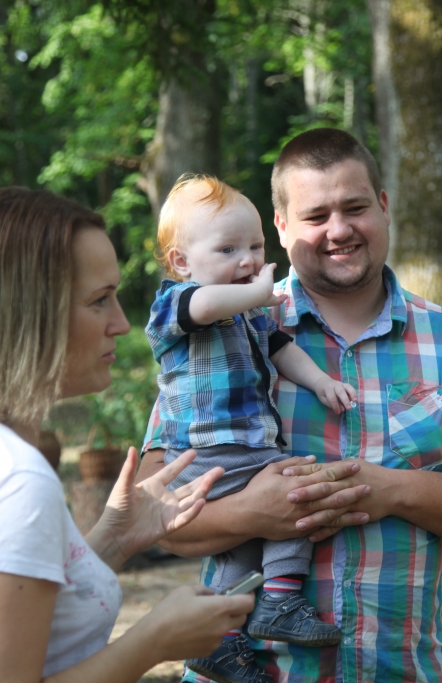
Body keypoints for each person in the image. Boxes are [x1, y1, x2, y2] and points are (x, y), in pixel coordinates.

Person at [137, 127, 442, 683]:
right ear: (280, 227)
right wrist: (251, 513)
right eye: (316, 215)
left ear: (385, 206)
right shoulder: (217, 337)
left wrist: (393, 489)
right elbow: (154, 511)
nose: (339, 230)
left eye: (354, 208)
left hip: (399, 670)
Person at [0, 187, 255, 683]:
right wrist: (154, 639)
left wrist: (113, 539)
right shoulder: (10, 479)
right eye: (99, 301)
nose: (120, 323)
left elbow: (4, 602)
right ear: (28, 314)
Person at [146, 175, 356, 661]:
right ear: (182, 262)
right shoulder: (175, 303)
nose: (248, 260)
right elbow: (205, 305)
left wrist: (321, 381)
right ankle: (280, 600)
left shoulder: (251, 311)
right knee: (298, 492)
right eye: (227, 250)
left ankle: (221, 638)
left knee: (241, 544)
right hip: (205, 453)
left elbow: (281, 349)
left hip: (251, 448)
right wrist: (258, 292)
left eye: (256, 246)